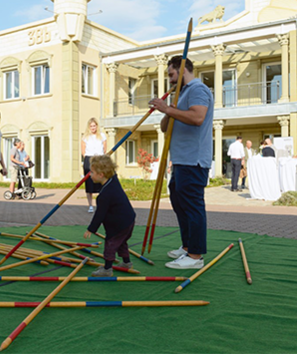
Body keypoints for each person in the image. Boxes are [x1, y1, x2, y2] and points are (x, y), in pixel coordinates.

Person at [149, 55, 213, 270]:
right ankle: (187, 247)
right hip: (180, 161)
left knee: (193, 206)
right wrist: (168, 108)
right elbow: (165, 127)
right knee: (179, 202)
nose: (170, 79)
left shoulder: (197, 89)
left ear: (183, 69)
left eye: (172, 74)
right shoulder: (182, 93)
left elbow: (197, 118)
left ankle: (195, 256)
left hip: (193, 160)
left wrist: (168, 109)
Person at [83, 155, 136, 276]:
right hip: (129, 220)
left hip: (120, 224)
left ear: (101, 174)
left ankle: (107, 269)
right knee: (121, 242)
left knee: (111, 244)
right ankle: (126, 263)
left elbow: (99, 215)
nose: (90, 175)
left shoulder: (105, 195)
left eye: (92, 172)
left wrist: (91, 229)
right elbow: (113, 171)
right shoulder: (113, 179)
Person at [81, 117, 107, 213]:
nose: (93, 128)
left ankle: (101, 205)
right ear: (89, 127)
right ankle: (90, 205)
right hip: (89, 159)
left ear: (97, 126)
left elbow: (104, 149)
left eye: (94, 125)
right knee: (89, 183)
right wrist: (88, 160)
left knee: (101, 182)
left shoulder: (102, 136)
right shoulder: (85, 137)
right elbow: (83, 151)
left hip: (99, 159)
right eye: (91, 126)